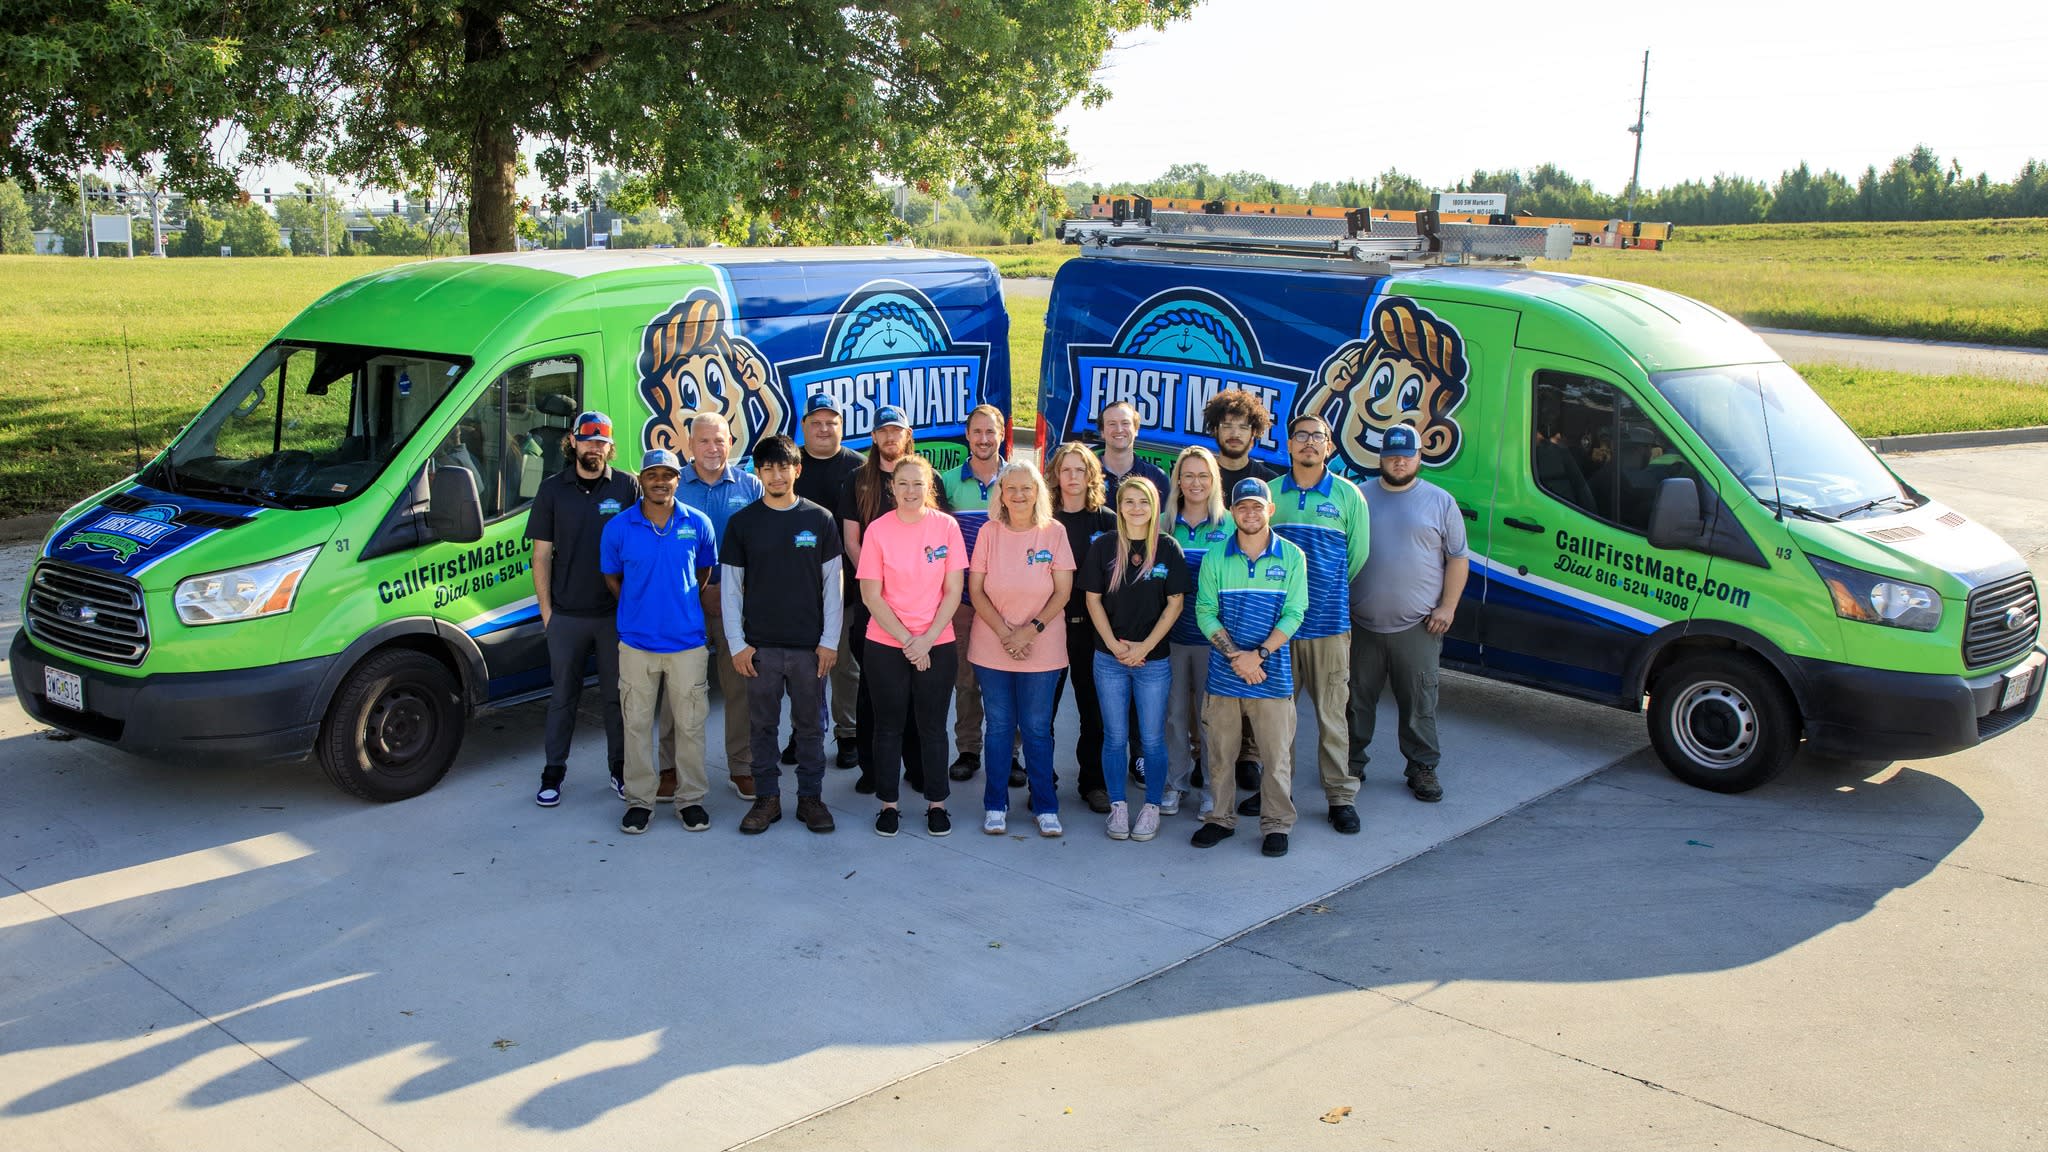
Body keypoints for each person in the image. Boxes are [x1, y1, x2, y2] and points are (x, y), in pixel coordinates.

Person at [720, 435, 842, 835]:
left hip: (810, 649)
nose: (776, 474)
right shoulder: (742, 523)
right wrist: (738, 645)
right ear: (758, 473)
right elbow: (731, 590)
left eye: (783, 466)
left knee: (810, 727)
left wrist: (829, 641)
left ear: (797, 469)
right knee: (763, 727)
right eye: (768, 468)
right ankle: (767, 799)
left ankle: (810, 798)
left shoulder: (819, 519)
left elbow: (833, 587)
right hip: (761, 650)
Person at [1259, 413, 1372, 836]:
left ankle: (1340, 797)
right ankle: (1277, 793)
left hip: (1328, 626)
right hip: (1278, 631)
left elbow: (1356, 559)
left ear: (1329, 447)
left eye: (1317, 437)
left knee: (1332, 717)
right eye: (1301, 436)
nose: (1309, 443)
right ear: (1288, 445)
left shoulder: (1348, 496)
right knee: (1277, 719)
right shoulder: (1269, 495)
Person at [600, 449, 719, 835]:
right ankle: (639, 801)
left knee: (690, 726)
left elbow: (703, 572)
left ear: (677, 480)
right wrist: (638, 607)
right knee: (635, 725)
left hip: (687, 643)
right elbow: (612, 577)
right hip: (636, 644)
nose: (660, 481)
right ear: (641, 479)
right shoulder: (618, 528)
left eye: (667, 474)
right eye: (653, 474)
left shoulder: (697, 523)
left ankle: (691, 800)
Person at [1349, 423, 1469, 804]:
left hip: (1418, 626)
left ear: (1420, 457)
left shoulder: (1440, 501)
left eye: (1406, 455)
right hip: (1360, 624)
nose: (1399, 461)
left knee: (1419, 701)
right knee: (1354, 700)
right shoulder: (1358, 497)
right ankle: (1350, 763)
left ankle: (1422, 766)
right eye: (1392, 455)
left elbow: (1457, 558)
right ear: (1381, 457)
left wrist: (1447, 607)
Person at [527, 411, 640, 807]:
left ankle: (620, 769)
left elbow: (640, 548)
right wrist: (547, 614)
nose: (595, 446)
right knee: (563, 699)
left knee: (616, 698)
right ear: (572, 442)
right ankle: (553, 774)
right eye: (587, 439)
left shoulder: (628, 486)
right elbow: (540, 556)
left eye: (602, 441)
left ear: (610, 446)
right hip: (567, 616)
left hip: (613, 617)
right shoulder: (552, 489)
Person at [1192, 478, 1307, 858]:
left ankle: (1277, 825)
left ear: (1270, 510)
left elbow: (1294, 613)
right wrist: (1236, 658)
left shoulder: (1292, 557)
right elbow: (1206, 613)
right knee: (1221, 756)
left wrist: (1257, 655)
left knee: (1276, 759)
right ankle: (1220, 819)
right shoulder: (1215, 558)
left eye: (1258, 506)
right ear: (1232, 512)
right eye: (1243, 507)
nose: (1250, 513)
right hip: (1225, 677)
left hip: (1271, 677)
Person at [856, 453, 968, 837]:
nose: (909, 491)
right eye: (902, 483)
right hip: (887, 643)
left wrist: (927, 640)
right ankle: (888, 805)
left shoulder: (947, 528)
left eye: (917, 483)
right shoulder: (878, 531)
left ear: (928, 487)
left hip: (937, 640)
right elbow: (871, 594)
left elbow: (953, 590)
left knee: (933, 727)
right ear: (892, 487)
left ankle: (937, 804)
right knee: (888, 727)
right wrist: (908, 642)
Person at [966, 459, 1074, 837]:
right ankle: (995, 804)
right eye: (1011, 488)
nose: (1019, 494)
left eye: (1026, 487)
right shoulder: (988, 533)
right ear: (1001, 494)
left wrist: (1030, 631)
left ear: (1038, 492)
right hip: (992, 646)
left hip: (1042, 647)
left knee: (1036, 729)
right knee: (998, 727)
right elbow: (975, 590)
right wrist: (1005, 632)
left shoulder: (1054, 533)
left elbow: (1063, 591)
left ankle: (1045, 805)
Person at [1083, 476, 1191, 842]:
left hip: (1154, 661)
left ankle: (1151, 807)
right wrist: (1114, 645)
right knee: (1114, 738)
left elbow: (1175, 603)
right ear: (1120, 505)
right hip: (1109, 658)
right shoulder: (1104, 547)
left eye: (1143, 501)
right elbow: (1093, 599)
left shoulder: (1168, 548)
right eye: (1128, 501)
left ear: (1154, 505)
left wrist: (1144, 648)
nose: (1136, 508)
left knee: (1151, 738)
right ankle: (1119, 807)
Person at [840, 406, 931, 795]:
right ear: (874, 437)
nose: (890, 438)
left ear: (906, 435)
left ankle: (917, 765)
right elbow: (851, 540)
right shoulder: (857, 480)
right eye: (883, 432)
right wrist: (877, 585)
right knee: (872, 689)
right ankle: (873, 767)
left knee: (917, 689)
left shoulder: (927, 479)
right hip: (873, 603)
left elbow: (937, 541)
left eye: (897, 431)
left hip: (920, 608)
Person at [678, 412, 766, 802]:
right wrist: (700, 592)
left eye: (720, 440)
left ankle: (742, 766)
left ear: (731, 442)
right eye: (704, 442)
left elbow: (766, 548)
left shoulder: (750, 486)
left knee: (739, 688)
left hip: (738, 604)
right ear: (689, 445)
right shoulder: (672, 485)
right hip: (685, 604)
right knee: (681, 691)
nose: (712, 449)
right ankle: (674, 769)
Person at [1202, 388, 1279, 794]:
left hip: (1256, 597)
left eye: (1243, 426)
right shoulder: (1202, 476)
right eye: (1226, 425)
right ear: (1215, 428)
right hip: (1211, 597)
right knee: (1209, 685)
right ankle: (1206, 751)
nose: (1234, 433)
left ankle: (1249, 755)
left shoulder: (1266, 481)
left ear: (1256, 432)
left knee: (1253, 675)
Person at [793, 393, 866, 771]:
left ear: (842, 426)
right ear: (803, 426)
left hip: (846, 588)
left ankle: (848, 733)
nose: (824, 428)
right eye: (816, 422)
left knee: (844, 666)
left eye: (831, 422)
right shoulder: (791, 465)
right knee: (801, 668)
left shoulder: (859, 468)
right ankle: (803, 732)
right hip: (796, 591)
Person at [1046, 441, 1118, 813]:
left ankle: (1094, 782)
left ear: (1091, 475)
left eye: (1080, 469)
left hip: (1093, 631)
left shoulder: (1107, 521)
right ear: (1055, 475)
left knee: (1095, 711)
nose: (1073, 477)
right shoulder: (1044, 519)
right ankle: (1044, 781)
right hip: (1050, 628)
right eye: (1066, 469)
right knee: (1043, 712)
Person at [1163, 445, 1230, 817]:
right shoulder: (1164, 524)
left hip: (1213, 641)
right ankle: (1176, 783)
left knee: (1211, 719)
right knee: (1173, 717)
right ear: (1178, 481)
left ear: (1214, 481)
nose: (1195, 482)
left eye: (1203, 475)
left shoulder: (1230, 526)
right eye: (1187, 475)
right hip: (1171, 638)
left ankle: (1211, 787)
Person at [940, 404, 1006, 783]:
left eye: (990, 432)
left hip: (1007, 603)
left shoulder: (1016, 481)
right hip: (962, 601)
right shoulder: (947, 483)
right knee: (966, 681)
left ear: (1000, 435)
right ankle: (968, 749)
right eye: (977, 432)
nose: (983, 439)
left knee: (1006, 679)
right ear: (967, 436)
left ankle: (1010, 753)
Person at [1097, 400, 1169, 499]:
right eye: (1112, 424)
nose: (1119, 430)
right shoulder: (1087, 474)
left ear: (1136, 430)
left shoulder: (1156, 477)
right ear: (1102, 432)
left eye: (1125, 423)